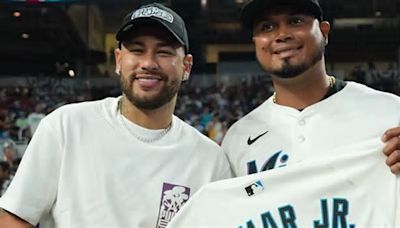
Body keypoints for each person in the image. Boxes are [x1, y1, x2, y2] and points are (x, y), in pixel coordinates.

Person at [167, 0, 400, 226]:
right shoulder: (238, 139)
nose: (281, 34)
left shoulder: (390, 112)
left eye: (295, 21)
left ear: (324, 31)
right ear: (256, 42)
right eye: (267, 27)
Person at [0, 3, 232, 228]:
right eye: (137, 50)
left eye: (163, 52)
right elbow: (15, 216)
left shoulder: (210, 160)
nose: (148, 63)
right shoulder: (66, 126)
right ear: (119, 60)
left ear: (187, 66)